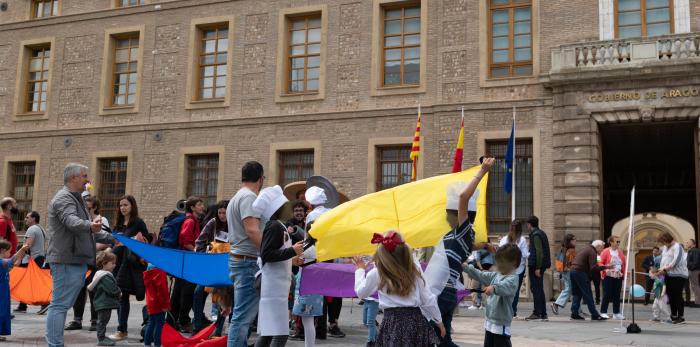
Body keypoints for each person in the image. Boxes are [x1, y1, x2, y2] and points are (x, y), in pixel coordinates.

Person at [435, 157, 493, 347]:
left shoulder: (463, 229)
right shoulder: (462, 236)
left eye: (448, 213)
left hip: (443, 290)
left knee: (428, 333)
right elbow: (471, 247)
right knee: (443, 339)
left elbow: (462, 197)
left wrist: (482, 171)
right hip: (447, 290)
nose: (445, 216)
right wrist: (484, 246)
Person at [353, 231, 445, 346]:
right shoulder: (414, 270)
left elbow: (361, 293)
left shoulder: (377, 273)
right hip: (415, 323)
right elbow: (427, 298)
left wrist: (360, 270)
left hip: (392, 324)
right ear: (405, 251)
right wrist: (438, 320)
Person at [46, 163, 103, 347]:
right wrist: (89, 225)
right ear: (73, 178)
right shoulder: (64, 198)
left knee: (61, 305)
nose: (88, 180)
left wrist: (117, 238)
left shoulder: (76, 198)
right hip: (66, 260)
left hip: (74, 260)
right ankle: (55, 344)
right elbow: (71, 220)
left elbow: (90, 229)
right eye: (84, 176)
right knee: (60, 306)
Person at [253, 186, 304, 347]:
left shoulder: (278, 226)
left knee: (270, 332)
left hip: (277, 285)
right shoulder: (274, 226)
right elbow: (267, 254)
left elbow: (276, 253)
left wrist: (292, 258)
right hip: (272, 286)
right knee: (280, 332)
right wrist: (292, 250)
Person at [227, 161, 265, 347]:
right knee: (242, 319)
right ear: (261, 178)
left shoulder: (237, 196)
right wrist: (269, 251)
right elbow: (252, 230)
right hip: (247, 262)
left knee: (241, 317)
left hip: (240, 260)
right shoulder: (249, 197)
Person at [66, 196, 113, 331]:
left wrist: (91, 246)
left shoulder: (101, 220)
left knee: (95, 290)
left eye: (88, 207)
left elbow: (106, 240)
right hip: (82, 259)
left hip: (96, 260)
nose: (85, 209)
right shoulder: (82, 221)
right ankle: (77, 320)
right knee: (79, 288)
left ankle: (95, 320)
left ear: (95, 208)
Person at [464, 243, 521, 347]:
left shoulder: (513, 279)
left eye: (501, 262)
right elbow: (481, 275)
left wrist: (494, 288)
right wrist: (467, 268)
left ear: (514, 262)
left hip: (501, 323)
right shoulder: (497, 275)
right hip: (490, 320)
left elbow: (504, 286)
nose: (498, 264)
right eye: (497, 261)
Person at [109, 195, 149, 341]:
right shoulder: (119, 224)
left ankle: (122, 330)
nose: (123, 208)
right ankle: (122, 329)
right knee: (120, 296)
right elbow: (113, 242)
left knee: (122, 295)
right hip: (117, 263)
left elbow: (146, 241)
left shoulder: (138, 223)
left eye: (125, 205)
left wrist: (129, 241)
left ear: (132, 206)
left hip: (129, 264)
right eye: (120, 205)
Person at [169, 196, 205, 333]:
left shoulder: (193, 220)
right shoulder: (190, 221)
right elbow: (186, 242)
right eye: (199, 204)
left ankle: (173, 321)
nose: (202, 206)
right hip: (188, 260)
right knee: (187, 292)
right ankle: (183, 321)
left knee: (179, 291)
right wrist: (197, 251)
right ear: (193, 207)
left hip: (185, 260)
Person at [193, 199, 229, 332]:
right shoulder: (213, 223)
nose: (222, 216)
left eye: (224, 213)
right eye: (220, 213)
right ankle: (197, 325)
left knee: (223, 296)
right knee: (198, 293)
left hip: (225, 266)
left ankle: (218, 329)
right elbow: (199, 241)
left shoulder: (235, 224)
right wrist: (204, 255)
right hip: (210, 264)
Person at [14, 211, 47, 314]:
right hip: (39, 258)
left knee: (30, 282)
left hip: (31, 260)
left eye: (27, 217)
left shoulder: (31, 229)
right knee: (28, 282)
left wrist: (19, 259)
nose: (25, 219)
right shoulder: (41, 229)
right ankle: (23, 305)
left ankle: (45, 303)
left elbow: (27, 246)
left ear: (33, 218)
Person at [569, 240, 609, 321]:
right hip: (580, 272)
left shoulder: (586, 249)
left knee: (577, 293)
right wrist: (606, 267)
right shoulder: (592, 252)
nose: (602, 250)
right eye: (602, 248)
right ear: (598, 246)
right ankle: (595, 315)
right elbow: (593, 268)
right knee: (588, 293)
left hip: (573, 271)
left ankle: (574, 313)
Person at [653, 232, 688, 324]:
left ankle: (681, 316)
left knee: (677, 295)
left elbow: (677, 261)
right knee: (671, 295)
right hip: (668, 274)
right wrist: (659, 270)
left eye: (663, 241)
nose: (663, 244)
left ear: (667, 239)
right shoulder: (665, 247)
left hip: (678, 275)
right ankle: (673, 315)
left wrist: (664, 270)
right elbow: (663, 260)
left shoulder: (677, 246)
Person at [87, 251, 120, 346]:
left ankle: (102, 336)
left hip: (103, 302)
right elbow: (112, 290)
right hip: (104, 303)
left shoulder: (101, 275)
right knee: (102, 321)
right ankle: (101, 339)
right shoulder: (105, 276)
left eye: (115, 263)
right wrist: (119, 292)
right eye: (112, 263)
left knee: (103, 321)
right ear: (104, 263)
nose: (115, 265)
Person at [0, 240, 30, 341]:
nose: (9, 254)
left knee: (3, 310)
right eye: (9, 251)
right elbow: (10, 261)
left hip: (4, 289)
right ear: (3, 250)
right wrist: (21, 250)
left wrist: (22, 253)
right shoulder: (1, 261)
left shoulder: (3, 262)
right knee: (1, 311)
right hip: (1, 289)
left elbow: (13, 264)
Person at [498, 220, 529, 318]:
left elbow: (499, 252)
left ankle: (507, 310)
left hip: (508, 269)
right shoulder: (522, 240)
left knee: (506, 289)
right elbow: (525, 254)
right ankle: (512, 311)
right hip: (517, 269)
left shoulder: (505, 239)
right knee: (514, 291)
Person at [525, 216, 550, 321]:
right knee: (538, 289)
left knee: (536, 289)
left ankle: (537, 313)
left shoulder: (536, 235)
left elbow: (539, 252)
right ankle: (543, 313)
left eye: (527, 224)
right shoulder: (541, 233)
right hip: (538, 265)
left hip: (536, 265)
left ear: (530, 224)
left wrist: (538, 267)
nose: (527, 226)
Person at [143, 263, 171, 347]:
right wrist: (165, 305)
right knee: (159, 324)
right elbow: (162, 291)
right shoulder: (160, 272)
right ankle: (157, 344)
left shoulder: (148, 271)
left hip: (151, 302)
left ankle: (147, 343)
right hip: (159, 304)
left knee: (151, 322)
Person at [599, 235, 626, 320]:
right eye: (617, 241)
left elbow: (623, 263)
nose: (618, 243)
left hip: (618, 275)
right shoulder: (605, 251)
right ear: (611, 242)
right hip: (608, 276)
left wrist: (623, 274)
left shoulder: (620, 252)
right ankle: (603, 312)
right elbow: (600, 263)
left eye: (619, 242)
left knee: (617, 294)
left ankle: (616, 313)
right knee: (607, 293)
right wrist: (606, 269)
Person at [551, 233, 576, 314]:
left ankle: (577, 310)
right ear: (570, 241)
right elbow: (572, 262)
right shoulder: (571, 250)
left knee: (572, 289)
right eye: (574, 239)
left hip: (564, 271)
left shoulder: (563, 248)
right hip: (568, 271)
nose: (576, 241)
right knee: (569, 289)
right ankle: (556, 303)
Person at [685, 239, 699, 307]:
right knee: (693, 286)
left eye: (688, 242)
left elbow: (696, 262)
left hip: (694, 271)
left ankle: (697, 302)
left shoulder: (695, 250)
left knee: (695, 286)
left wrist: (690, 267)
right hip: (691, 270)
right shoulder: (690, 251)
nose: (686, 243)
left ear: (693, 243)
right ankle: (695, 301)